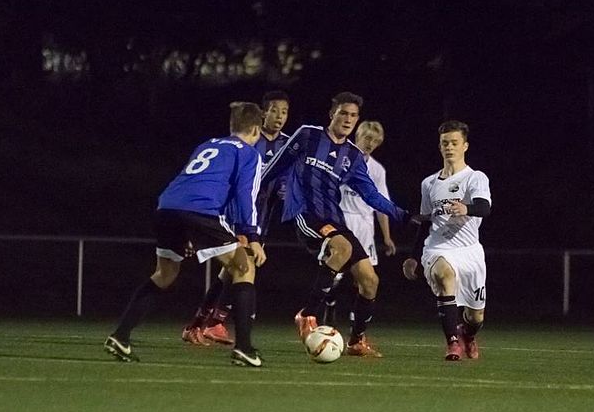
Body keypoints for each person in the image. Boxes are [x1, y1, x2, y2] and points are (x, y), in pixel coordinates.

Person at [103, 101, 268, 367]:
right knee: (244, 267)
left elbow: (194, 182)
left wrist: (189, 233)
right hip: (200, 210)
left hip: (167, 206)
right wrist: (253, 236)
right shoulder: (249, 153)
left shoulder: (207, 145)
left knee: (165, 274)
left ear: (232, 125)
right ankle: (245, 348)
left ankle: (120, 336)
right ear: (257, 130)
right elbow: (245, 195)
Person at [260, 92, 410, 357]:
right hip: (307, 215)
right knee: (342, 248)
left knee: (370, 281)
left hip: (334, 220)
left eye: (353, 116)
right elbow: (274, 167)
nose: (348, 120)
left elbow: (371, 195)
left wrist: (403, 215)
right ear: (332, 114)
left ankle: (356, 341)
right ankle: (307, 315)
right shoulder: (308, 135)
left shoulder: (353, 155)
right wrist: (252, 196)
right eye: (343, 113)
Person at [181, 91, 291, 346]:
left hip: (262, 216)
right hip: (238, 214)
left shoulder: (288, 145)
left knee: (230, 272)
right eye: (274, 110)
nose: (279, 116)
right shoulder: (247, 143)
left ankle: (199, 323)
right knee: (243, 267)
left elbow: (287, 178)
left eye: (285, 112)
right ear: (263, 114)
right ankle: (217, 323)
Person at [402, 120, 491, 361]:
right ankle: (453, 342)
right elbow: (425, 220)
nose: (449, 147)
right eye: (445, 143)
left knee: (476, 317)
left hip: (469, 251)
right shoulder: (429, 183)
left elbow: (484, 207)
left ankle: (467, 334)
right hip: (438, 248)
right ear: (440, 146)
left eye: (454, 143)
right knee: (444, 276)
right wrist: (412, 256)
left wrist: (466, 208)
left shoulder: (475, 178)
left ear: (465, 146)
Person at [322, 120, 397, 325]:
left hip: (364, 225)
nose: (370, 144)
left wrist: (387, 236)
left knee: (364, 278)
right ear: (358, 136)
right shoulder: (340, 158)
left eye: (375, 141)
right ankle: (329, 305)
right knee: (334, 272)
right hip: (341, 220)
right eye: (367, 138)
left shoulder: (377, 170)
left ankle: (356, 322)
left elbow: (381, 204)